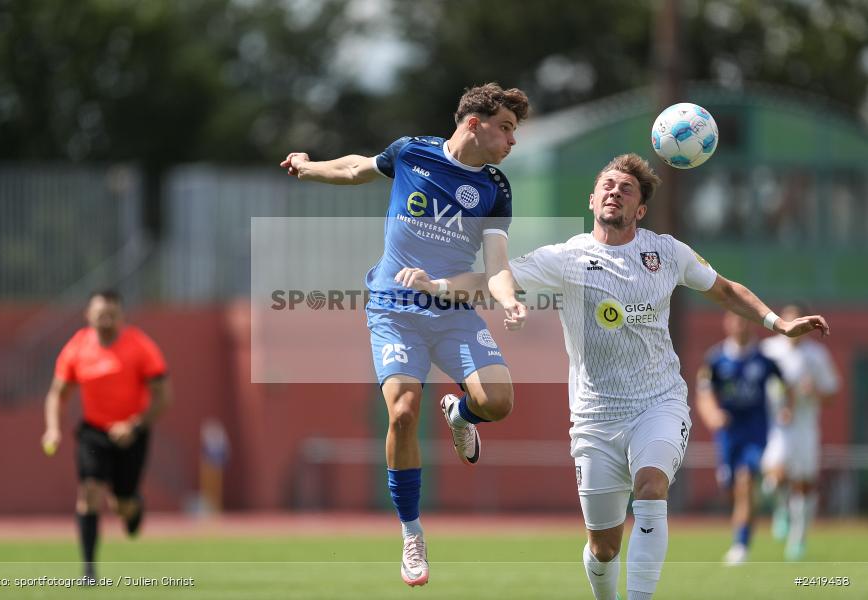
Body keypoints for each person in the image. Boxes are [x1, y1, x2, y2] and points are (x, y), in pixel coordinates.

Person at [397, 153, 830, 600]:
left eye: (626, 189)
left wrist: (778, 324)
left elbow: (725, 289)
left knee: (651, 486)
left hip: (658, 403)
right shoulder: (566, 258)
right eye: (607, 184)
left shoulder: (666, 252)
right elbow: (495, 276)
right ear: (591, 199)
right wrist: (438, 286)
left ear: (639, 210)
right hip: (595, 418)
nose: (614, 192)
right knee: (604, 549)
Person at [279, 83, 530, 587]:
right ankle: (412, 533)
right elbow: (354, 169)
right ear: (473, 123)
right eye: (505, 127)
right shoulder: (412, 151)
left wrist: (509, 300)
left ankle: (461, 414)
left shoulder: (495, 187)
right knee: (402, 410)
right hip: (394, 309)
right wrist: (307, 166)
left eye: (514, 131)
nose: (511, 140)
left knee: (498, 401)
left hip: (453, 309)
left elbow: (497, 265)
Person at [41, 290, 172, 583]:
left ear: (122, 317)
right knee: (89, 493)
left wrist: (135, 426)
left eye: (112, 315)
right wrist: (53, 428)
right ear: (89, 316)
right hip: (94, 432)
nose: (106, 321)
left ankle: (133, 507)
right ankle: (89, 570)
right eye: (100, 315)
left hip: (132, 433)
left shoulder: (140, 346)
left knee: (121, 505)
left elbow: (163, 397)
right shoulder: (77, 348)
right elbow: (57, 394)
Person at [695, 311, 785, 565]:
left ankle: (741, 545)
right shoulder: (715, 359)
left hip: (756, 432)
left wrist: (785, 406)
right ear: (727, 324)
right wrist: (713, 414)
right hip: (728, 435)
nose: (740, 325)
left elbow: (782, 387)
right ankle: (765, 493)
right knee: (733, 489)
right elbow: (704, 393)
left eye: (745, 320)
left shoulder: (765, 360)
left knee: (746, 482)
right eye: (735, 320)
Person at [760, 303, 839, 561]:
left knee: (803, 484)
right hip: (776, 427)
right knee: (773, 479)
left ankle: (798, 539)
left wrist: (812, 392)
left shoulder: (816, 355)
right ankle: (780, 507)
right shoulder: (769, 351)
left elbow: (831, 395)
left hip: (805, 427)